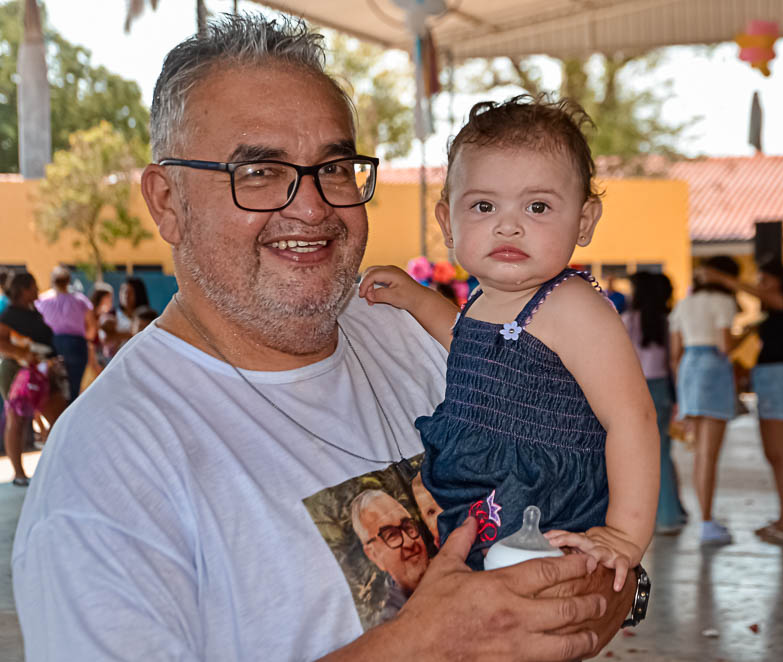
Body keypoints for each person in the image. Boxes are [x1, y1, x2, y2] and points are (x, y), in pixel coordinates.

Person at [13, 15, 636, 662]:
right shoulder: (110, 466)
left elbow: (597, 531)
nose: (311, 207)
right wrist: (425, 648)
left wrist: (607, 586)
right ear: (167, 201)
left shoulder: (414, 338)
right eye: (257, 173)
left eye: (335, 168)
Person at [360, 96, 658, 589]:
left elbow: (631, 418)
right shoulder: (485, 298)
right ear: (447, 224)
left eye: (537, 206)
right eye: (483, 205)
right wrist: (416, 298)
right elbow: (467, 345)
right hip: (484, 492)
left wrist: (625, 534)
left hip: (543, 505)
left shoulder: (571, 306)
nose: (508, 224)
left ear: (583, 222)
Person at [699, 257, 783, 545]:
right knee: (775, 455)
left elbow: (761, 295)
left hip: (780, 381)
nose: (759, 286)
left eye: (764, 280)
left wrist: (723, 279)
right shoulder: (772, 313)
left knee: (782, 456)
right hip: (769, 381)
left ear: (779, 281)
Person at [669, 255, 740, 545]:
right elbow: (726, 345)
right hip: (713, 369)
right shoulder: (724, 303)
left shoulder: (684, 304)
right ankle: (707, 522)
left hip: (688, 369)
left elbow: (675, 354)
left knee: (700, 453)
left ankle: (706, 518)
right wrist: (748, 333)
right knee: (710, 454)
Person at [623, 271, 686, 534]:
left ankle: (665, 517)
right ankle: (674, 511)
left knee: (641, 457)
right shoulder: (666, 321)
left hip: (636, 389)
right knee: (663, 452)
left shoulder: (626, 321)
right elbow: (673, 363)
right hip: (661, 390)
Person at [0, 272, 67, 486]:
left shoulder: (32, 311)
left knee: (60, 419)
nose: (37, 290)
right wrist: (22, 355)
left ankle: (55, 467)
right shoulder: (8, 314)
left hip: (43, 370)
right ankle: (19, 474)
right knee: (16, 420)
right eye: (33, 286)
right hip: (19, 372)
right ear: (24, 289)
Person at [351, 489, 430, 620]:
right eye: (392, 535)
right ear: (374, 556)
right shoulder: (392, 622)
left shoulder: (455, 565)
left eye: (408, 526)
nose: (410, 542)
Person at [34, 265, 94, 402]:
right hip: (76, 345)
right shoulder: (80, 301)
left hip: (51, 346)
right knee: (73, 388)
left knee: (53, 388)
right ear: (68, 281)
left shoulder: (42, 301)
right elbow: (92, 328)